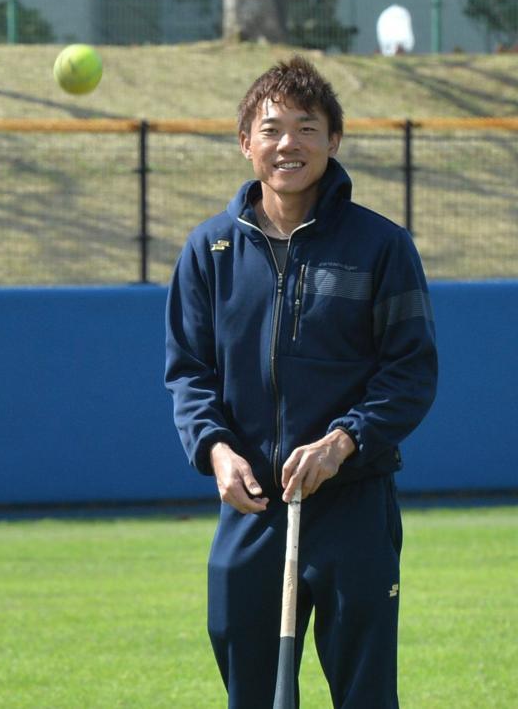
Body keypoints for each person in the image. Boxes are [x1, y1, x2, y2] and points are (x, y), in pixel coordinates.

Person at [165, 56, 437, 708]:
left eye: (307, 128)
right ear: (246, 143)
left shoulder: (381, 245)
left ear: (333, 141)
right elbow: (188, 372)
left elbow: (411, 370)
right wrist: (216, 450)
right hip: (252, 508)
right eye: (272, 128)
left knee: (365, 694)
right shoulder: (208, 250)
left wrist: (345, 440)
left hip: (353, 505)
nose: (289, 143)